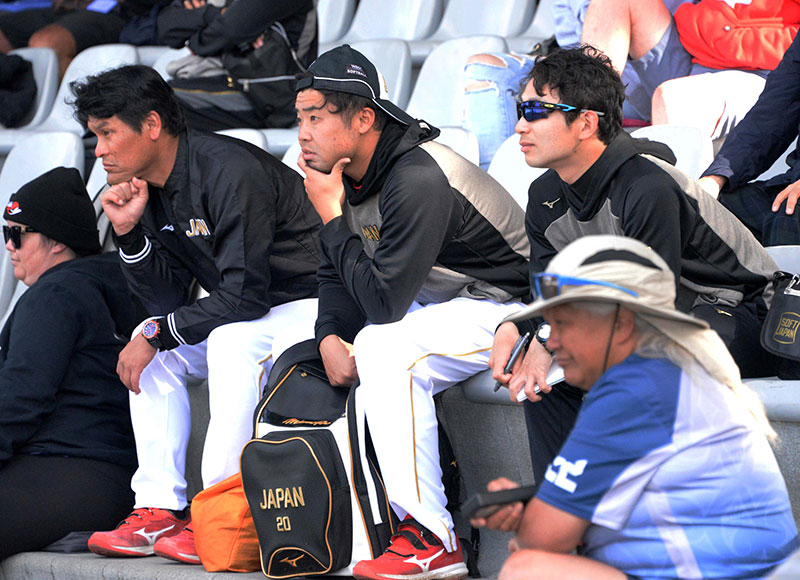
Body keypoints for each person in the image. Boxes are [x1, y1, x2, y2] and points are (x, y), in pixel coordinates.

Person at [490, 45, 791, 488]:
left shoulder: (647, 185)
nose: (520, 125)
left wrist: (550, 337)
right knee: (543, 381)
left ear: (586, 123)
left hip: (744, 313)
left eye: (536, 111)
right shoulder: (544, 197)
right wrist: (519, 328)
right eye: (521, 110)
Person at [295, 44, 530, 580]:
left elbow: (383, 305)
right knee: (323, 345)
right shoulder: (349, 170)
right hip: (444, 300)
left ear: (363, 118)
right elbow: (335, 270)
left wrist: (330, 213)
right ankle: (358, 527)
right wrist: (329, 333)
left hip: (510, 306)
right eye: (300, 118)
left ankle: (431, 537)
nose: (303, 133)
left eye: (316, 118)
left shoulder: (417, 175)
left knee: (384, 345)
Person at [70, 64, 321, 563]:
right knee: (154, 347)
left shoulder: (228, 169)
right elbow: (166, 304)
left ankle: (220, 515)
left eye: (107, 133)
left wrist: (160, 330)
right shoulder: (150, 186)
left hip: (314, 303)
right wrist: (129, 234)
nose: (98, 150)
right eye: (95, 136)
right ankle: (159, 507)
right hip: (258, 312)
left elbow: (245, 296)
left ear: (152, 125)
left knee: (223, 342)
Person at [480, 234, 798, 580]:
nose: (552, 342)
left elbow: (545, 539)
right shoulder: (660, 373)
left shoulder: (635, 391)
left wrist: (531, 528)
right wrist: (536, 516)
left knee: (528, 569)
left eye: (564, 324)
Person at [464, 0, 796, 169]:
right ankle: (500, 201)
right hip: (692, 49)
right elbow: (570, 40)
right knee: (487, 68)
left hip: (761, 68)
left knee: (674, 97)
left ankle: (661, 218)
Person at [0, 167, 138, 560]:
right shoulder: (119, 282)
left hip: (65, 470)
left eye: (17, 234)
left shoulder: (54, 294)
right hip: (111, 482)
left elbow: (21, 398)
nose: (9, 246)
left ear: (58, 241)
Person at [698, 33, 800, 247]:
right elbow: (773, 111)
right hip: (792, 183)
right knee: (701, 213)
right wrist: (716, 178)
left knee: (788, 216)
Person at [157, 0, 317, 131]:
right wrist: (214, 14)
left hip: (264, 96)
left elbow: (227, 31)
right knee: (153, 96)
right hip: (215, 78)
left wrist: (195, 37)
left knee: (160, 104)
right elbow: (166, 26)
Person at [0, 0, 163, 79]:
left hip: (117, 12)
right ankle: (19, 99)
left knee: (48, 43)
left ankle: (75, 115)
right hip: (63, 8)